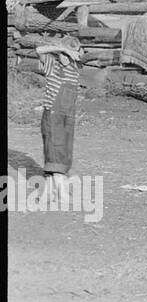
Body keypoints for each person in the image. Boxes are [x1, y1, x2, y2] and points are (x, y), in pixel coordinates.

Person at [35, 34, 82, 204]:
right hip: (53, 115)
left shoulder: (75, 70)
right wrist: (62, 48)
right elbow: (38, 50)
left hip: (68, 116)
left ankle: (51, 191)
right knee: (55, 150)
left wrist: (71, 51)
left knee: (64, 151)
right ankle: (61, 193)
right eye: (63, 53)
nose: (65, 57)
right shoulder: (51, 66)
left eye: (69, 54)